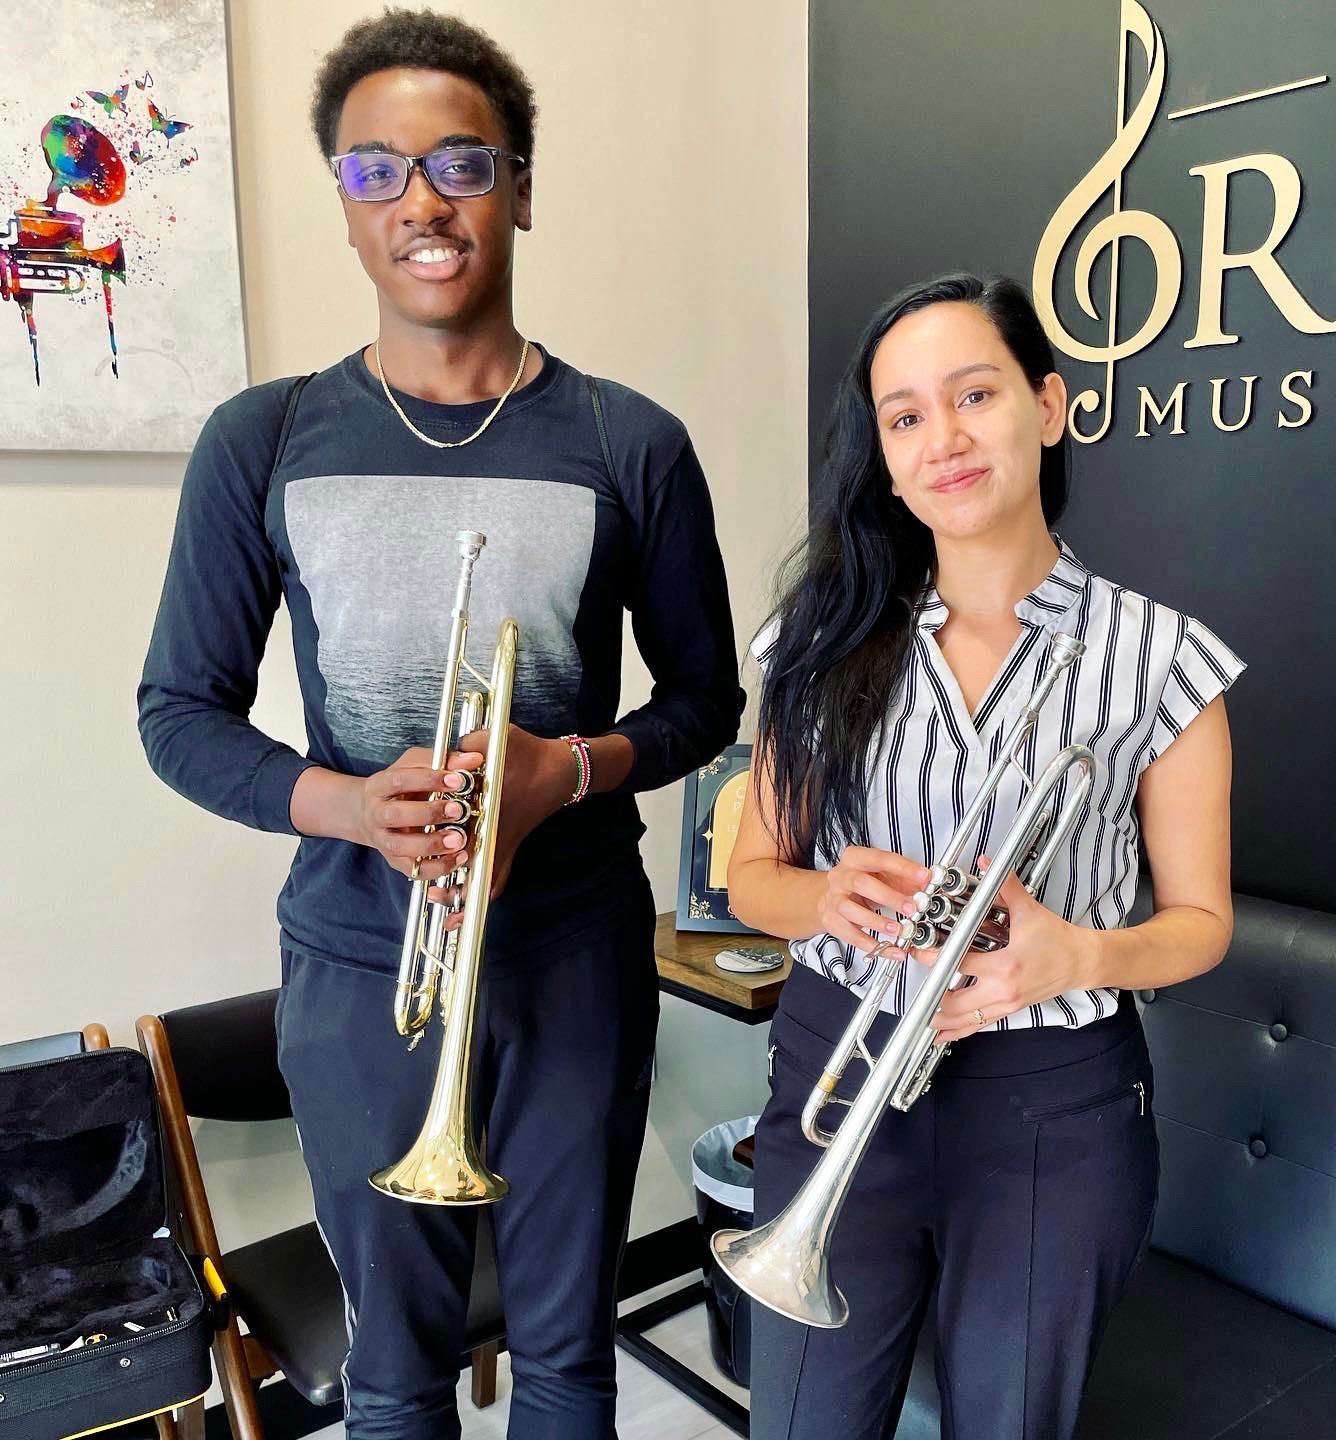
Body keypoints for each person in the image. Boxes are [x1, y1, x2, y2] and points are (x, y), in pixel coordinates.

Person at [138, 11, 742, 1438]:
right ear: (343, 206)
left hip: (577, 952)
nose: (421, 199)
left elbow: (707, 701)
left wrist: (573, 770)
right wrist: (349, 803)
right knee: (395, 1378)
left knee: (568, 1360)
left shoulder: (628, 441)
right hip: (360, 964)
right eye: (376, 172)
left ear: (520, 188)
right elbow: (177, 715)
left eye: (462, 162)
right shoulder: (263, 441)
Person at [728, 272, 1243, 1440]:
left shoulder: (1164, 660)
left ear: (1049, 407)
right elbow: (754, 876)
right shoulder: (820, 636)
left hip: (1057, 1113)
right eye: (905, 417)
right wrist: (823, 895)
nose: (942, 440)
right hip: (841, 1066)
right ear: (884, 453)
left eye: (975, 395)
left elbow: (1202, 923)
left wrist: (1076, 955)